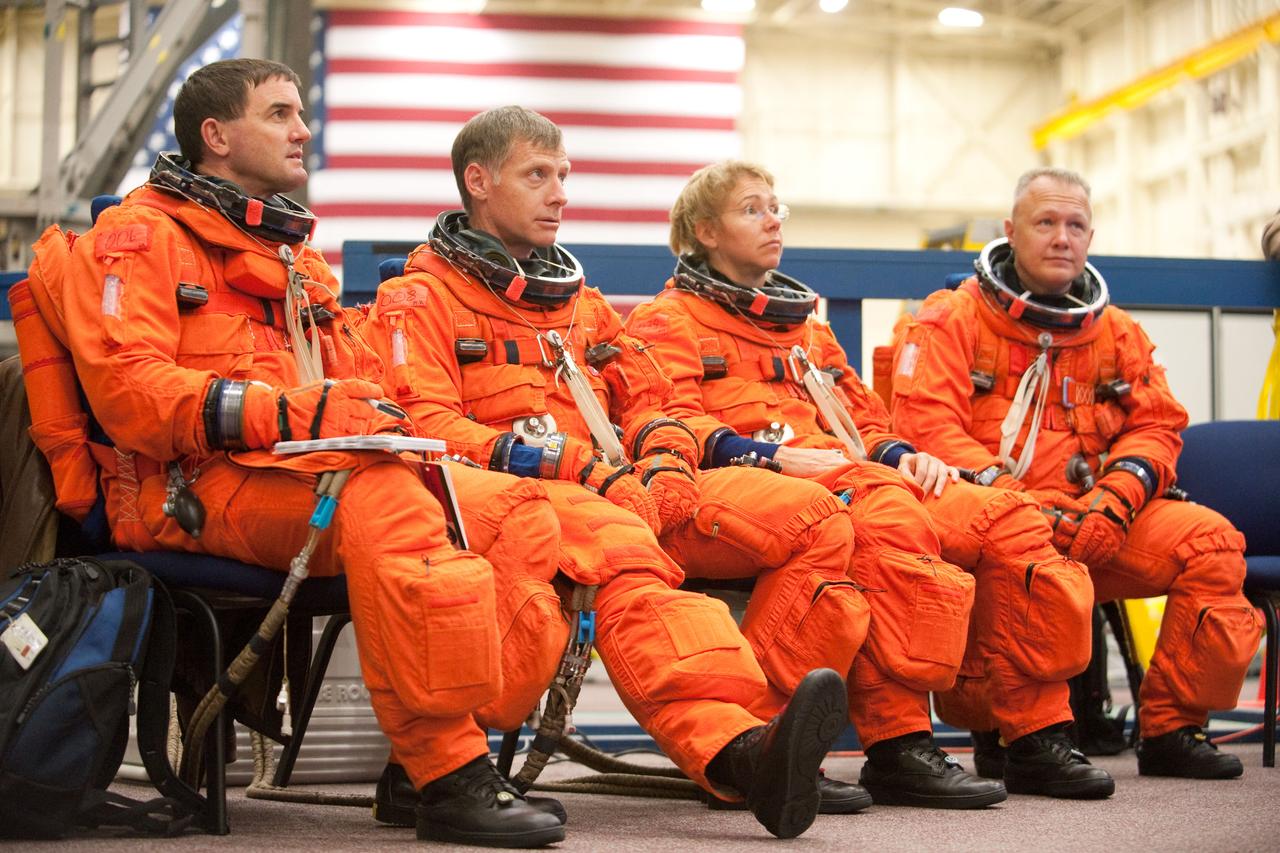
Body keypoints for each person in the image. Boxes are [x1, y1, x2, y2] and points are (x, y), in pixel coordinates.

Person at [53, 59, 571, 847]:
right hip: (190, 491)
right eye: (280, 114)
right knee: (388, 500)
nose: (303, 129)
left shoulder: (291, 257)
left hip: (304, 476)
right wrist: (289, 411)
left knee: (518, 510)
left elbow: (354, 378)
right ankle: (448, 770)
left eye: (301, 112)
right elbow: (131, 394)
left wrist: (379, 411)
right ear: (216, 136)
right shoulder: (139, 238)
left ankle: (424, 756)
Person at [361, 105, 853, 839]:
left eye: (564, 175)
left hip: (592, 502)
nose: (560, 193)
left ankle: (744, 751)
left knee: (635, 575)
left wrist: (659, 463)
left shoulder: (580, 307)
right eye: (538, 175)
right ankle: (436, 765)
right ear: (479, 180)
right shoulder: (417, 300)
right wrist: (566, 462)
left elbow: (653, 400)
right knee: (621, 557)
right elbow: (419, 425)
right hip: (488, 501)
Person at [629, 160, 1085, 804]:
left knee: (1010, 517)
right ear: (704, 229)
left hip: (850, 475)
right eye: (752, 208)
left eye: (776, 207)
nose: (773, 220)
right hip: (735, 486)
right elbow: (657, 420)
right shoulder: (664, 321)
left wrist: (902, 454)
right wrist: (765, 457)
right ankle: (885, 742)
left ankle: (1034, 735)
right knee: (879, 517)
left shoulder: (807, 329)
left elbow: (862, 417)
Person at [891, 166, 1263, 780]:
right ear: (1012, 232)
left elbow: (1157, 425)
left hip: (1097, 520)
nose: (1062, 237)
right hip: (1003, 521)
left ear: (1090, 237)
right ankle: (1031, 738)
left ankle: (1172, 728)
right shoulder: (951, 320)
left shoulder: (1115, 332)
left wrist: (1115, 501)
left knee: (1214, 544)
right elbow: (929, 428)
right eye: (1045, 223)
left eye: (1076, 225)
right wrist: (1024, 505)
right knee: (1020, 544)